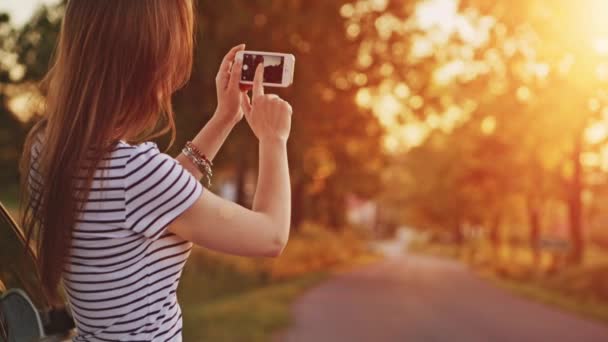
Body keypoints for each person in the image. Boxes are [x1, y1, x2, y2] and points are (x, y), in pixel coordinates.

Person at [18, 1, 293, 340]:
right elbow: (271, 236)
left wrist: (225, 118)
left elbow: (154, 200)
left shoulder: (46, 149)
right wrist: (273, 139)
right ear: (149, 64)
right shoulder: (136, 175)